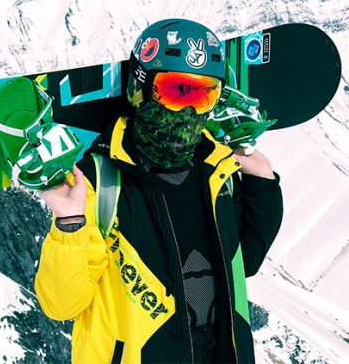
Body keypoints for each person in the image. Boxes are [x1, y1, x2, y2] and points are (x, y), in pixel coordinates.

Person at [35, 18, 283, 363]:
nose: (189, 109)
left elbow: (245, 262)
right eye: (175, 90)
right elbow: (61, 304)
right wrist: (70, 223)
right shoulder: (99, 179)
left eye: (202, 93)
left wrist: (259, 178)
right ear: (140, 89)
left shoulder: (216, 171)